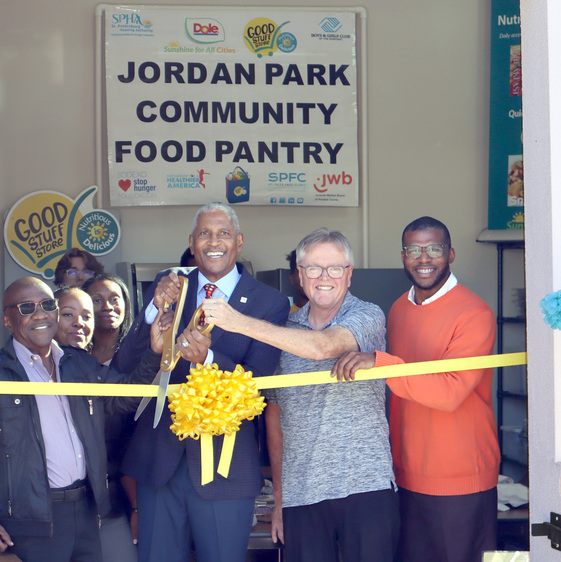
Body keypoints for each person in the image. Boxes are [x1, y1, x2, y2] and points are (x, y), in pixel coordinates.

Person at [201, 228, 398, 562]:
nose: (324, 277)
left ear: (348, 275)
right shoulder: (283, 332)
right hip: (301, 494)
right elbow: (275, 420)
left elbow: (322, 348)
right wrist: (279, 498)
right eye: (313, 268)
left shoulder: (367, 315)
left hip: (366, 486)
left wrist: (237, 321)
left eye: (335, 268)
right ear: (300, 276)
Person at [0, 277, 169, 562]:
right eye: (26, 307)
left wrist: (154, 353)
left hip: (87, 510)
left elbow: (123, 398)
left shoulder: (79, 363)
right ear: (7, 320)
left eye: (47, 305)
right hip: (32, 520)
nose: (40, 314)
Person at [116, 202, 289, 562]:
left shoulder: (268, 302)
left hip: (225, 469)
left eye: (224, 233)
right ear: (191, 243)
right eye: (204, 234)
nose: (214, 241)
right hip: (158, 462)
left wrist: (208, 360)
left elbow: (257, 383)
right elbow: (127, 363)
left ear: (239, 242)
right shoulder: (170, 285)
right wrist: (154, 307)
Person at [333, 216, 500, 562]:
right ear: (403, 256)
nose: (424, 258)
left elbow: (449, 393)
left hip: (460, 480)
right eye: (414, 250)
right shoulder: (397, 309)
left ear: (450, 254)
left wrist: (379, 363)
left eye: (434, 249)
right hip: (405, 475)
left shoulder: (474, 313)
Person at [82, 272, 141, 562]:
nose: (107, 306)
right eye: (97, 300)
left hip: (126, 486)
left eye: (114, 299)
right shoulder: (70, 356)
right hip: (80, 488)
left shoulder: (139, 354)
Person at [54, 284, 93, 349]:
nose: (79, 323)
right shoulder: (34, 358)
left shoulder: (92, 359)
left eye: (86, 316)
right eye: (68, 314)